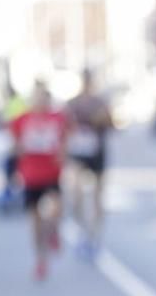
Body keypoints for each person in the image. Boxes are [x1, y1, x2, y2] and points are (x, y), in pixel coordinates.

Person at [10, 81, 67, 281]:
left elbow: (66, 138)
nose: (39, 101)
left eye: (43, 97)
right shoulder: (21, 120)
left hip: (51, 174)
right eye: (36, 97)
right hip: (31, 175)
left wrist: (62, 154)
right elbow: (15, 147)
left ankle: (53, 231)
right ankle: (40, 260)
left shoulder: (57, 118)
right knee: (34, 221)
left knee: (54, 209)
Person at [66, 69, 113, 260]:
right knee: (76, 193)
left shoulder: (100, 102)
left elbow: (111, 124)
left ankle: (95, 235)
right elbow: (65, 126)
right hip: (78, 152)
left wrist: (101, 119)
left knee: (97, 196)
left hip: (96, 152)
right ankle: (82, 231)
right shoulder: (73, 103)